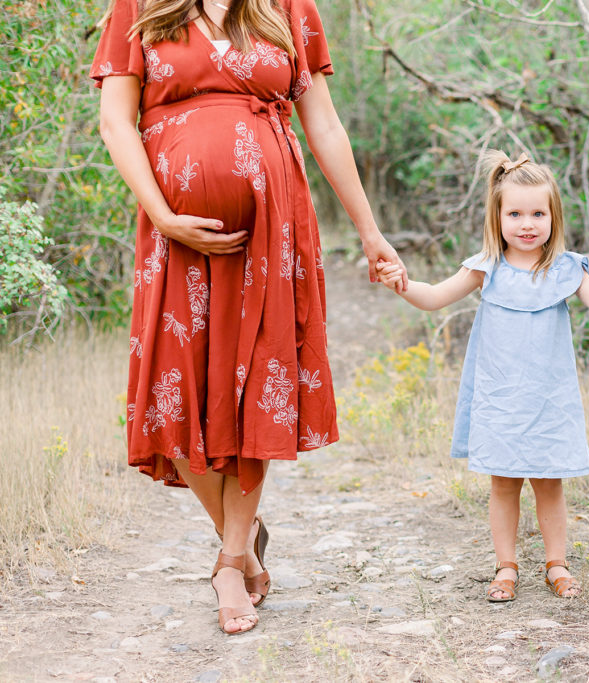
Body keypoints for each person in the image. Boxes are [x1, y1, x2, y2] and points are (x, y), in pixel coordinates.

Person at [91, 0, 406, 635]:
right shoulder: (140, 7)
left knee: (258, 393)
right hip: (175, 238)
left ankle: (232, 563)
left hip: (272, 235)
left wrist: (371, 232)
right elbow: (116, 125)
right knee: (170, 396)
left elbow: (325, 128)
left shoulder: (288, 8)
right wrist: (163, 214)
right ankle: (241, 529)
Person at [375, 151, 589, 601]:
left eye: (537, 213)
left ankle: (557, 565)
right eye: (515, 213)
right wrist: (400, 283)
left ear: (553, 217)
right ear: (498, 217)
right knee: (504, 483)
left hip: (548, 399)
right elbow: (433, 297)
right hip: (501, 397)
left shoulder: (566, 267)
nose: (526, 223)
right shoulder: (486, 267)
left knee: (550, 483)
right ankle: (505, 568)